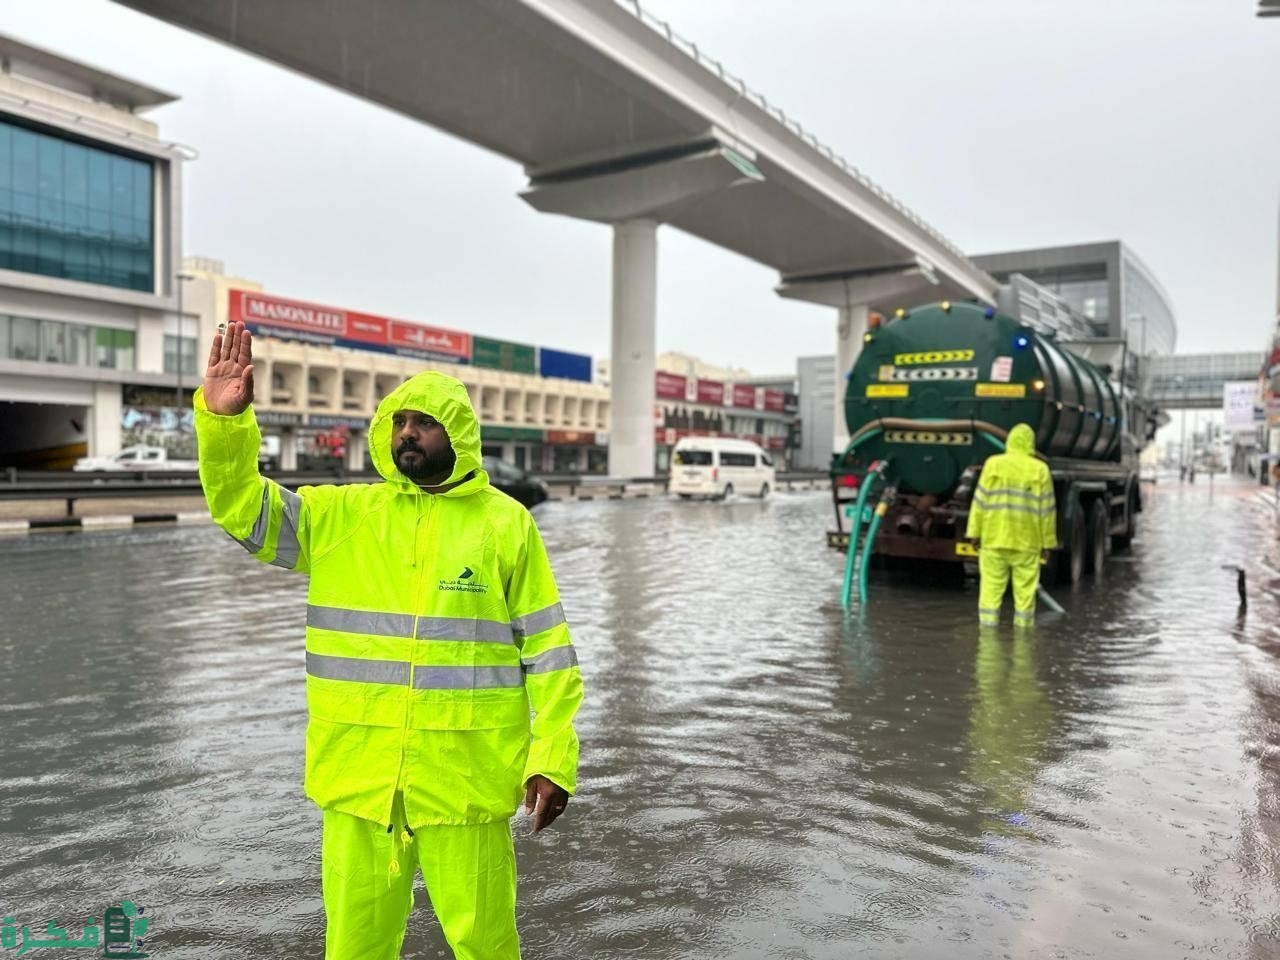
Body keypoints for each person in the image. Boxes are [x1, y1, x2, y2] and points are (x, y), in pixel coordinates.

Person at [195, 321, 583, 960]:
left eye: (424, 423)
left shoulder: (505, 526)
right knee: (353, 945)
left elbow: (549, 652)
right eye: (399, 421)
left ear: (456, 435)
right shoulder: (342, 517)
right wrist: (223, 422)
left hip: (466, 781)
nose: (408, 432)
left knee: (485, 944)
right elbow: (243, 508)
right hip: (359, 781)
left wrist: (553, 756)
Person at [965, 423, 1057, 629]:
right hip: (1027, 543)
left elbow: (979, 502)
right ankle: (1023, 642)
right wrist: (1048, 544)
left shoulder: (993, 464)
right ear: (1031, 444)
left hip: (993, 540)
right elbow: (1047, 511)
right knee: (1025, 596)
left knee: (990, 593)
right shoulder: (1040, 470)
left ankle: (987, 640)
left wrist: (974, 533)